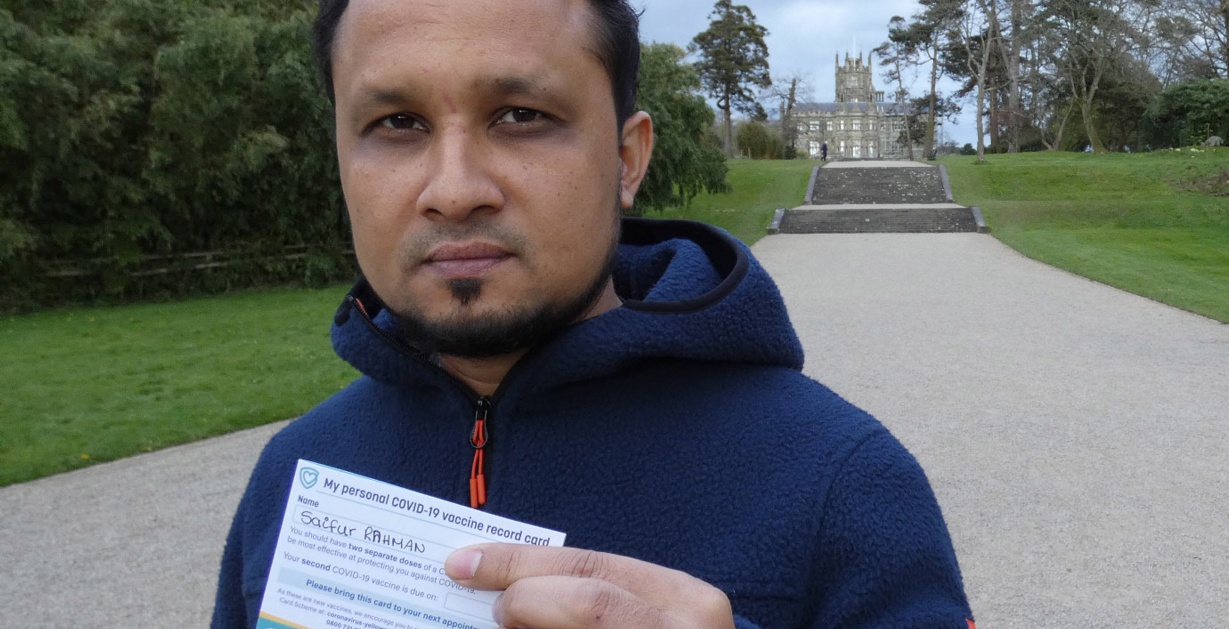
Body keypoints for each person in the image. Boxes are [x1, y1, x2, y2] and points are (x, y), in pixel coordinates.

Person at [212, 1, 972, 628]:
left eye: (519, 114)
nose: (453, 187)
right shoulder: (291, 475)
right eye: (396, 124)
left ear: (628, 158)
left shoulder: (844, 483)